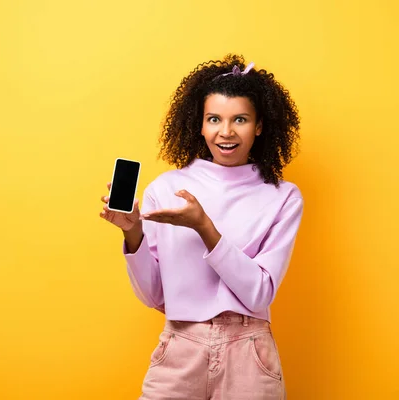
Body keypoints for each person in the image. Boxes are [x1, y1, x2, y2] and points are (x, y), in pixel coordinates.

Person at [99, 54, 303, 399]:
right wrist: (131, 232)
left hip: (249, 350)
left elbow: (259, 294)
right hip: (180, 345)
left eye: (240, 119)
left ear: (259, 125)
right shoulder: (165, 188)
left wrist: (204, 227)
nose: (226, 132)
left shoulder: (282, 196)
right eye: (214, 119)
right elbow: (155, 296)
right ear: (200, 124)